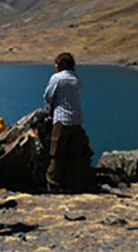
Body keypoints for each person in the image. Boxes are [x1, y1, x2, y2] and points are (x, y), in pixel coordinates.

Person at [44, 52, 90, 193]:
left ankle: (53, 186)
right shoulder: (76, 79)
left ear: (62, 64)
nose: (55, 66)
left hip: (61, 120)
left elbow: (48, 96)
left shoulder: (57, 78)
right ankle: (76, 186)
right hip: (76, 120)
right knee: (75, 156)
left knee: (56, 155)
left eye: (57, 63)